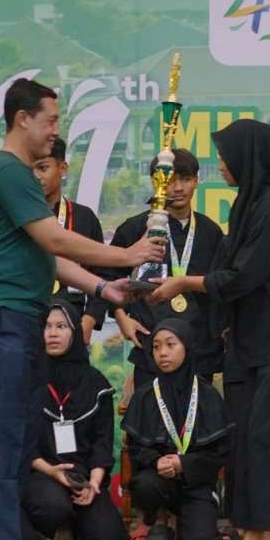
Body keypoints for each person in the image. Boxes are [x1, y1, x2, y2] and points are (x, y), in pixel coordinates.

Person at [0, 78, 163, 540]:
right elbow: (54, 239)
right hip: (0, 314)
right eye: (50, 120)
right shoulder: (9, 171)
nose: (56, 130)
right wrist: (126, 255)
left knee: (20, 433)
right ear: (22, 119)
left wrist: (102, 286)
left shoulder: (18, 175)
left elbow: (45, 257)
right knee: (8, 434)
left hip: (20, 316)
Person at [147, 119, 270, 540]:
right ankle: (251, 533)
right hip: (252, 340)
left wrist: (183, 282)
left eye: (227, 157)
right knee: (247, 437)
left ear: (250, 159)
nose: (222, 166)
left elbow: (243, 275)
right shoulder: (247, 205)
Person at [104, 148, 224, 384]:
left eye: (185, 179)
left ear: (196, 181)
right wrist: (121, 317)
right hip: (150, 346)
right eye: (169, 181)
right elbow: (107, 279)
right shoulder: (135, 228)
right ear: (155, 182)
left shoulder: (212, 232)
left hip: (200, 351)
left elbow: (221, 286)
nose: (177, 188)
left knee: (197, 419)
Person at [21, 301, 128, 540]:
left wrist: (93, 482)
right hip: (40, 472)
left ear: (75, 333)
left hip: (82, 475)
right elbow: (22, 443)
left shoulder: (95, 382)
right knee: (52, 505)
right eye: (46, 326)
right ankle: (48, 527)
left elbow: (102, 442)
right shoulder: (26, 377)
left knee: (108, 538)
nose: (53, 333)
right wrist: (50, 471)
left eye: (61, 326)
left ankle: (72, 526)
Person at [122, 319, 233, 540]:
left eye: (170, 345)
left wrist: (184, 463)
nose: (162, 353)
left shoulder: (207, 396)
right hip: (159, 480)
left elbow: (220, 453)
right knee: (144, 484)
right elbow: (135, 446)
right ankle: (160, 522)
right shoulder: (145, 395)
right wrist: (156, 460)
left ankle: (188, 523)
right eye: (156, 346)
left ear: (187, 347)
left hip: (197, 483)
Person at [33, 137, 108, 344]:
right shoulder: (17, 220)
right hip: (28, 322)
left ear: (63, 168)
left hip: (74, 322)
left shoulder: (84, 218)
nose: (35, 176)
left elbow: (101, 273)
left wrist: (89, 321)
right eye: (28, 170)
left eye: (43, 168)